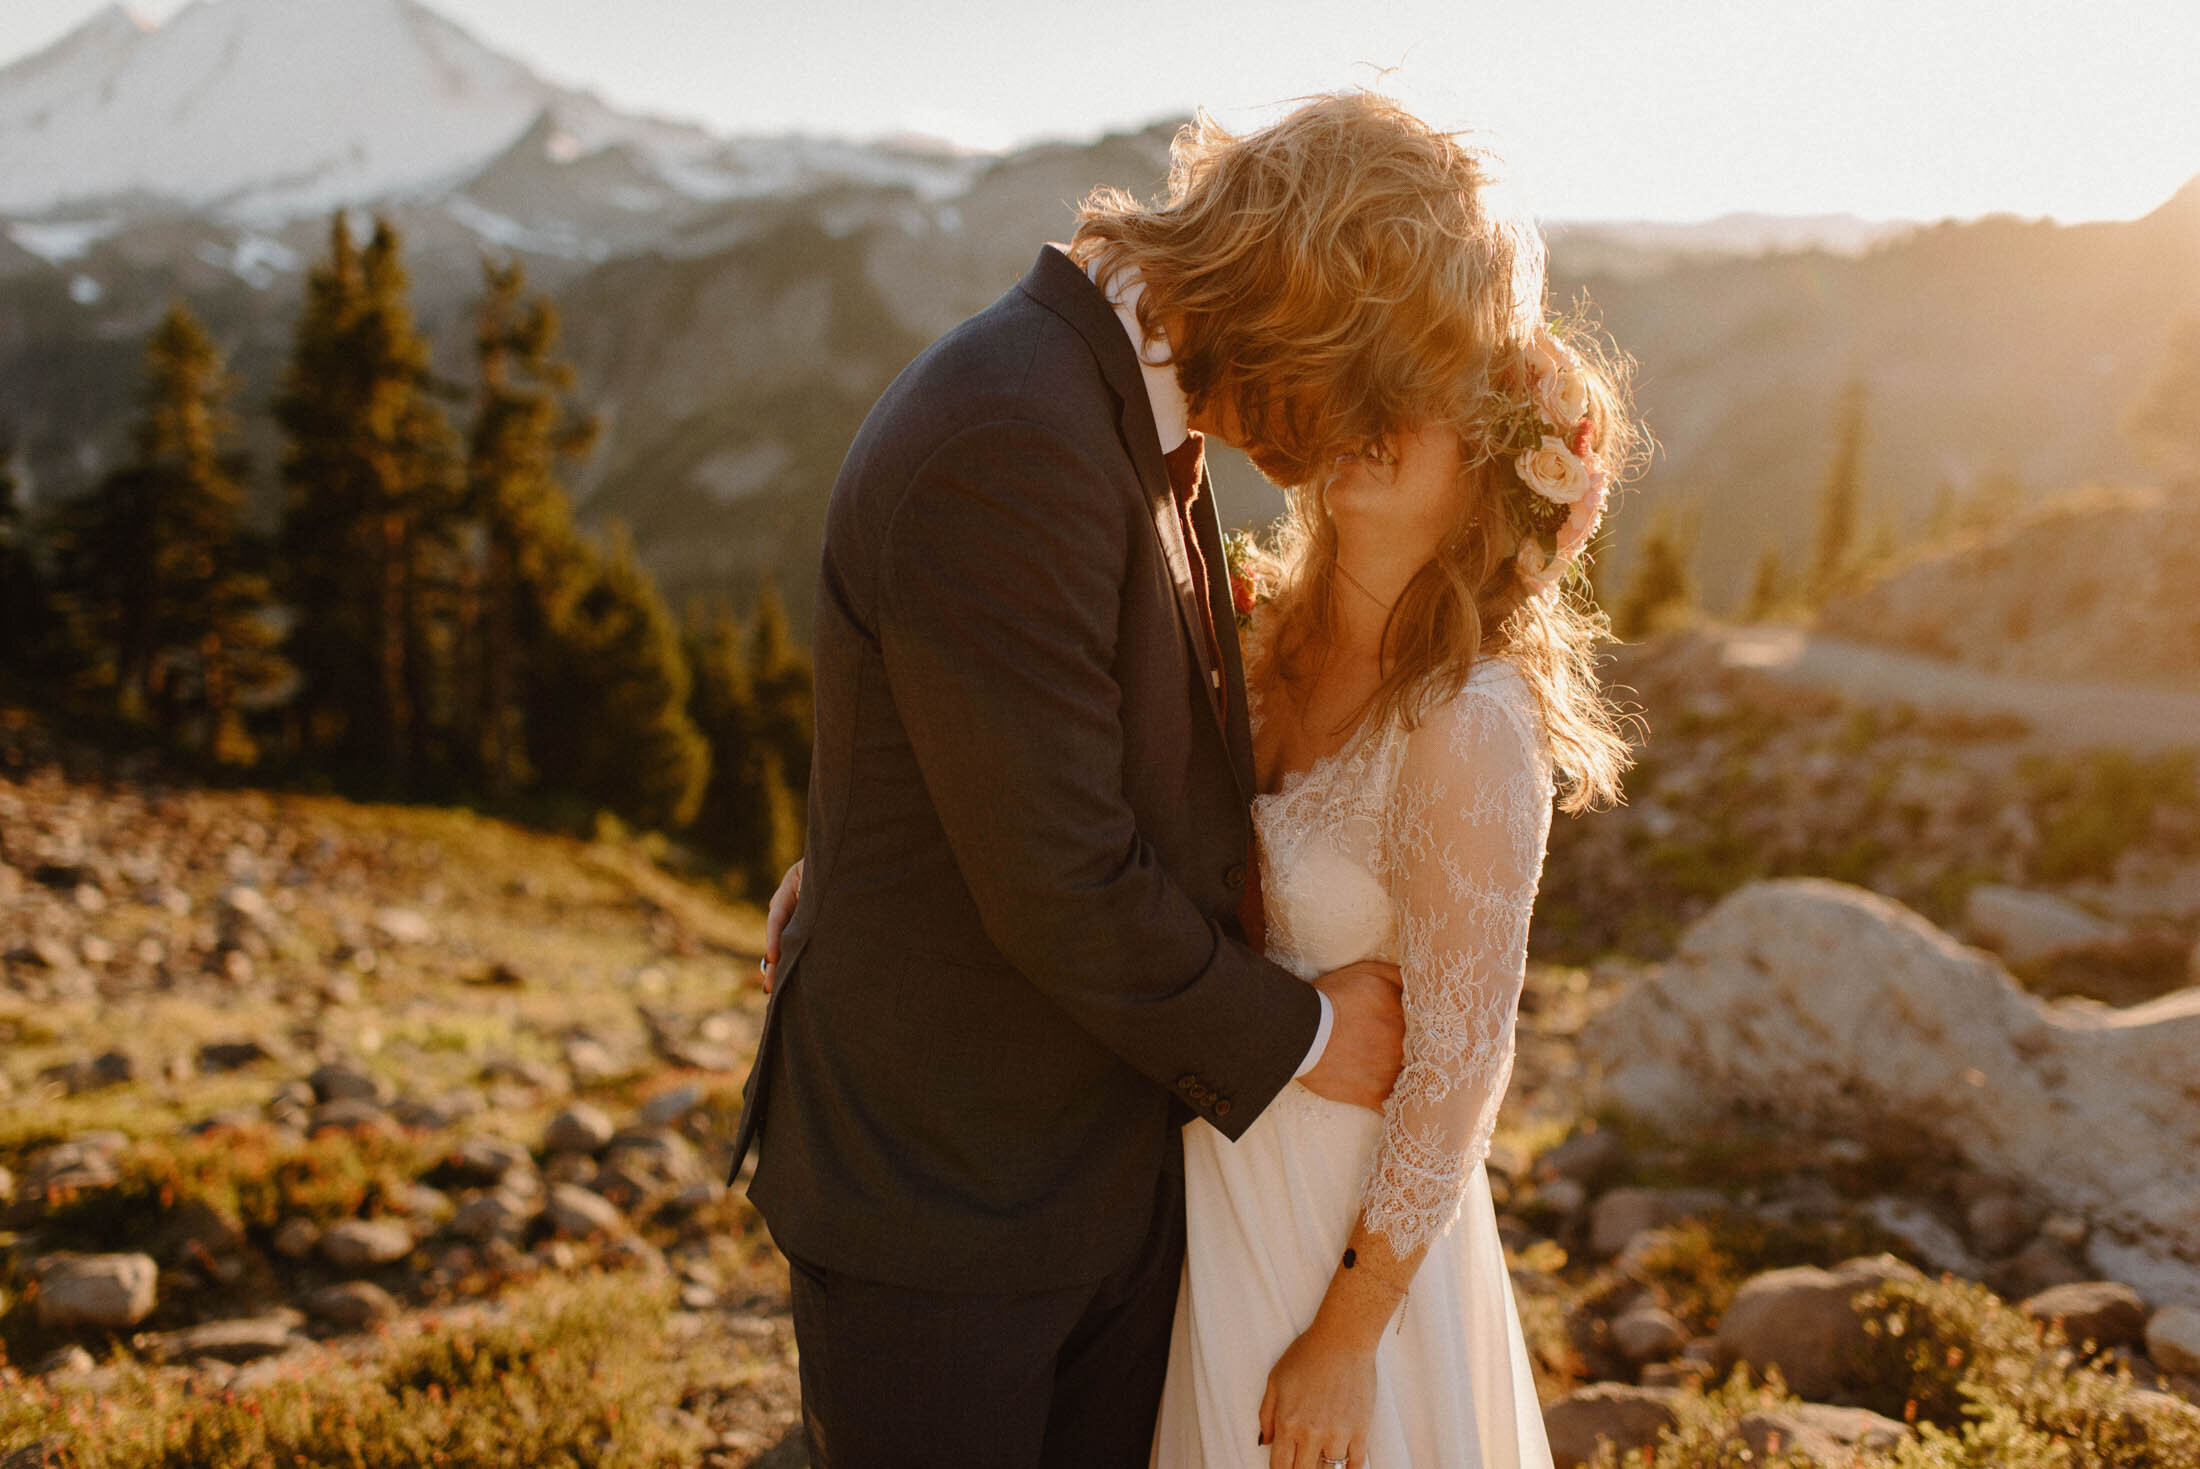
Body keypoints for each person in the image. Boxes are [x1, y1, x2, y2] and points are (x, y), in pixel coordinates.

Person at [729, 93, 1539, 1468]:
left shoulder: (1130, 413)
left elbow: (1068, 752)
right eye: (1368, 382)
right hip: (955, 1204)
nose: (1357, 433)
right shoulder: (1014, 433)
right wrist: (1298, 1032)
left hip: (1099, 1181)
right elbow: (1059, 876)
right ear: (1308, 304)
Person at [1150, 292, 1639, 1465]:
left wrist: (1348, 1335)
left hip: (1339, 1242)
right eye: (1373, 390)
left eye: (1427, 411)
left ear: (1487, 483)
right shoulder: (1248, 641)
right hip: (1190, 1204)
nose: (1379, 419)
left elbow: (1463, 1064)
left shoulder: (1466, 717)